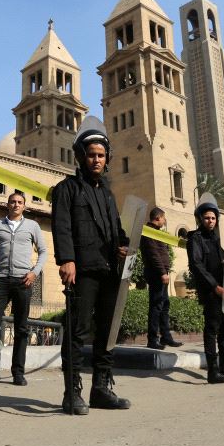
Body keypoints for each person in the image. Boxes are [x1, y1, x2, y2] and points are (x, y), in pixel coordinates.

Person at [52, 120, 131, 415]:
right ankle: (72, 393)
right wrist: (67, 260)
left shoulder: (108, 195)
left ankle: (101, 388)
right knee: (77, 331)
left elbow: (117, 230)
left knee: (107, 332)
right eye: (91, 154)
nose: (96, 160)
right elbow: (62, 228)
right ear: (80, 156)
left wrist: (123, 245)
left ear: (107, 158)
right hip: (82, 270)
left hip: (110, 270)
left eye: (100, 155)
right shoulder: (66, 189)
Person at [0, 192, 47, 386]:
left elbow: (43, 251)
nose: (16, 205)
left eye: (19, 202)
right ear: (7, 205)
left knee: (21, 328)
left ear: (24, 206)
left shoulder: (32, 226)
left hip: (22, 281)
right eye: (12, 202)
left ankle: (18, 372)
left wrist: (34, 272)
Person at [187, 202, 224, 384]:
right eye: (206, 218)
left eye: (213, 218)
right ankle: (213, 372)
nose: (210, 221)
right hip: (211, 292)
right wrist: (215, 287)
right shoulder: (195, 239)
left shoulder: (215, 239)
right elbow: (196, 265)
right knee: (212, 330)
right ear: (200, 219)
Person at [140, 207, 183, 350]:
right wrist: (162, 272)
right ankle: (152, 340)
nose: (165, 221)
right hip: (157, 275)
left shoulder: (156, 232)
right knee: (156, 306)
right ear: (158, 218)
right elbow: (153, 254)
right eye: (164, 218)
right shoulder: (149, 232)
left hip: (161, 274)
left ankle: (166, 337)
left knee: (164, 305)